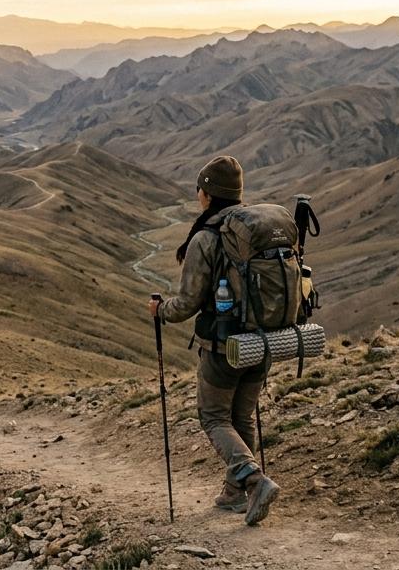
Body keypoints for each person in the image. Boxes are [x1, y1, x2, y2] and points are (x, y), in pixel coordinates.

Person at [148, 155, 281, 526]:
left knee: (213, 417)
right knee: (241, 418)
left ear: (206, 195)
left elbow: (188, 303)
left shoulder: (206, 239)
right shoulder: (254, 231)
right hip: (263, 342)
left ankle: (253, 481)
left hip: (225, 347)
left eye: (200, 191)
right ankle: (234, 494)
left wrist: (159, 310)